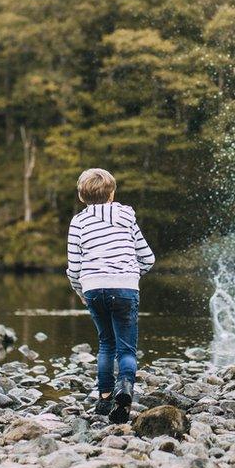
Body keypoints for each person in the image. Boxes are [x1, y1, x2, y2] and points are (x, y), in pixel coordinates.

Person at [66, 168, 155, 424]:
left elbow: (74, 267)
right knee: (126, 348)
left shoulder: (78, 222)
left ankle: (104, 399)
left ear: (82, 197)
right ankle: (125, 388)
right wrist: (131, 275)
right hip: (125, 287)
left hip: (93, 286)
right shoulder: (127, 216)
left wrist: (81, 291)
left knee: (106, 342)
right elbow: (147, 258)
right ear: (112, 193)